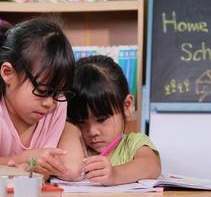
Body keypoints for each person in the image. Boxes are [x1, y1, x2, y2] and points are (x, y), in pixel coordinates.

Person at [0, 18, 84, 180]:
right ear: (8, 73)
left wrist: (38, 166)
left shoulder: (57, 107)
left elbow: (45, 168)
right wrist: (28, 159)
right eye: (42, 90)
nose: (49, 103)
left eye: (57, 93)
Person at [67, 55, 161, 185]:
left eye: (102, 119)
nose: (92, 131)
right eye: (81, 121)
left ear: (127, 105)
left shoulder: (133, 143)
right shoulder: (75, 145)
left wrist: (115, 174)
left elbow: (152, 166)